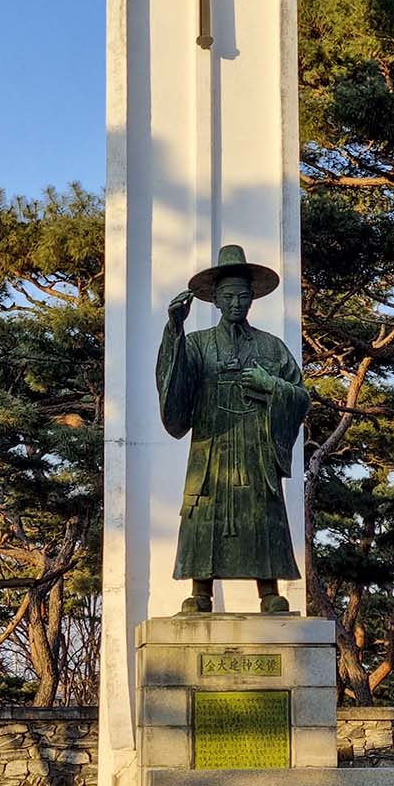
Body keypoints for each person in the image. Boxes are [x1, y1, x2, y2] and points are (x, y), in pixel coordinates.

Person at [156, 243, 309, 614]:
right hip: (212, 443)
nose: (236, 303)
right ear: (215, 300)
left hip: (256, 445)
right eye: (228, 296)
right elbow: (175, 385)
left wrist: (271, 385)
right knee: (204, 508)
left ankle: (269, 590)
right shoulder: (197, 344)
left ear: (252, 298)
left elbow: (301, 396)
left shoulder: (271, 347)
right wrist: (175, 329)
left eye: (243, 295)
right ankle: (200, 590)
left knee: (262, 510)